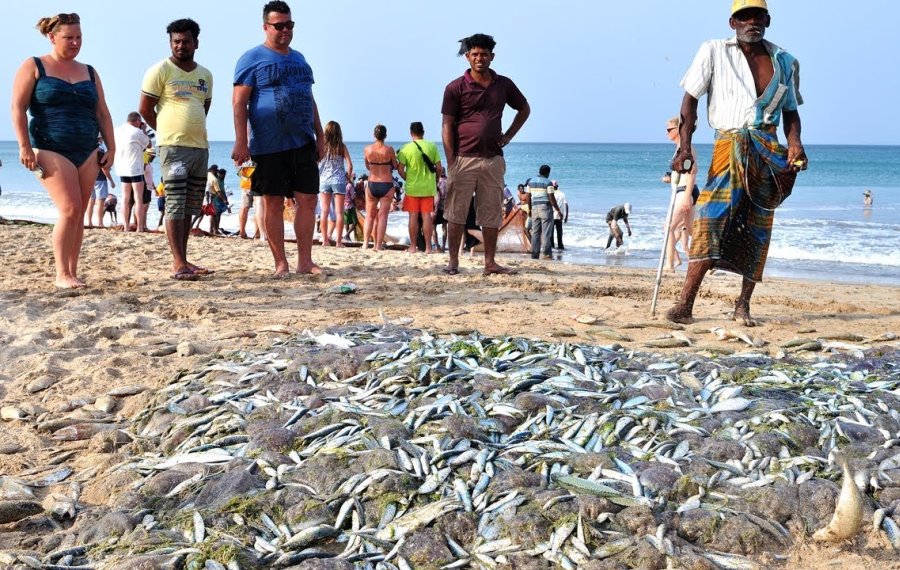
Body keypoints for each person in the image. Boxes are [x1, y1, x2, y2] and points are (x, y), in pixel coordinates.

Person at [666, 0, 807, 326]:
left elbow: (791, 112)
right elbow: (690, 99)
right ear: (733, 22)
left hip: (767, 149)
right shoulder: (714, 50)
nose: (751, 22)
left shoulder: (785, 61)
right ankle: (685, 305)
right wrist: (684, 147)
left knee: (759, 228)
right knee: (708, 221)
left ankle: (742, 305)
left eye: (757, 15)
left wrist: (795, 142)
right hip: (728, 146)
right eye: (744, 16)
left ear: (767, 19)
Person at [11, 13, 115, 288]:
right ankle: (61, 273)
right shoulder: (35, 66)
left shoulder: (89, 71)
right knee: (69, 209)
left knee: (79, 212)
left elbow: (102, 112)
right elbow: (17, 108)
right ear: (52, 37)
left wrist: (111, 147)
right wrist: (24, 146)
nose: (75, 42)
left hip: (87, 148)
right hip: (49, 147)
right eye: (69, 37)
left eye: (79, 37)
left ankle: (72, 270)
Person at [232, 1, 324, 276]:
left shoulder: (300, 59)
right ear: (266, 27)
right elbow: (239, 103)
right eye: (279, 25)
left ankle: (305, 262)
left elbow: (309, 98)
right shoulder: (251, 59)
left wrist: (320, 135)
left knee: (307, 201)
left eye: (289, 25)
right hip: (268, 144)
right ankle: (281, 263)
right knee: (272, 202)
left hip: (303, 141)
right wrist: (240, 141)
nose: (285, 30)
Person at [442, 33, 530, 275]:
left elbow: (524, 108)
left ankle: (490, 263)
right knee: (455, 213)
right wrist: (451, 160)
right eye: (475, 54)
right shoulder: (455, 87)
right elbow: (447, 125)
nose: (479, 58)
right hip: (463, 159)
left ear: (492, 57)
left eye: (484, 54)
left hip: (493, 159)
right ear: (468, 57)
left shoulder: (504, 84)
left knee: (490, 213)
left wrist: (509, 135)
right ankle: (453, 262)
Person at [140, 17, 213, 280]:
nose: (181, 46)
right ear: (170, 42)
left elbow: (203, 108)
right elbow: (145, 109)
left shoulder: (205, 75)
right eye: (176, 41)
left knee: (191, 206)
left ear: (196, 42)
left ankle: (185, 259)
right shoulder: (160, 70)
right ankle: (177, 262)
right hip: (173, 147)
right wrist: (167, 132)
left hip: (199, 147)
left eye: (186, 41)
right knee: (174, 203)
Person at [398, 121, 443, 254]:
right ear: (423, 132)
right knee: (427, 216)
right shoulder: (432, 146)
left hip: (412, 188)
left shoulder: (406, 149)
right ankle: (429, 247)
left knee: (413, 216)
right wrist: (435, 179)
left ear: (411, 133)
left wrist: (408, 178)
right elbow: (439, 167)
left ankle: (413, 247)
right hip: (428, 188)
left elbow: (400, 169)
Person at [664, 116, 700, 271]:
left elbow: (693, 172)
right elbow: (682, 172)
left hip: (685, 192)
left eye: (668, 129)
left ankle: (669, 264)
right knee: (692, 231)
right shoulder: (679, 148)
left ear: (677, 130)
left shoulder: (686, 148)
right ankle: (708, 262)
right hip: (685, 191)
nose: (666, 133)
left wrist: (686, 197)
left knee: (668, 228)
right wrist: (670, 178)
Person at [363, 124, 399, 250]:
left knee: (369, 215)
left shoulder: (367, 149)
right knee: (383, 216)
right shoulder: (389, 149)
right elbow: (395, 165)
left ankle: (366, 243)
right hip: (386, 184)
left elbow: (367, 166)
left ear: (374, 135)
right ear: (385, 136)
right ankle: (378, 245)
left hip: (372, 183)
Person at [318, 120, 353, 247]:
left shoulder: (323, 146)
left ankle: (325, 240)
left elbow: (317, 163)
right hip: (338, 181)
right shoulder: (341, 147)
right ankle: (338, 242)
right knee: (339, 212)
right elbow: (350, 165)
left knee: (324, 211)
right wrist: (347, 178)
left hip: (324, 181)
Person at [114, 112, 151, 232]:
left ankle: (126, 226)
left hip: (121, 167)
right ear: (137, 121)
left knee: (125, 198)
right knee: (138, 198)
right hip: (135, 168)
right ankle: (139, 227)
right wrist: (144, 129)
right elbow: (148, 144)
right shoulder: (137, 132)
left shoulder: (117, 131)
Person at [525, 165, 562, 259]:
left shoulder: (530, 182)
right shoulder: (548, 183)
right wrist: (558, 210)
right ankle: (546, 253)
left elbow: (528, 196)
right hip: (545, 208)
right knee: (546, 232)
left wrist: (529, 209)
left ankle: (535, 253)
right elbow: (551, 198)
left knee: (535, 233)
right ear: (547, 173)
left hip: (534, 208)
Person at [86, 137, 116, 228]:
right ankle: (100, 223)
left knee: (91, 201)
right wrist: (111, 181)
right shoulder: (101, 149)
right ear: (101, 139)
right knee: (100, 201)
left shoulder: (90, 148)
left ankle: (89, 222)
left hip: (90, 177)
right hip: (100, 178)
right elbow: (104, 168)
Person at [140, 147, 156, 231]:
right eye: (152, 156)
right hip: (145, 186)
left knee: (146, 208)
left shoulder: (149, 164)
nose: (153, 157)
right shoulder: (144, 164)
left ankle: (144, 225)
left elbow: (150, 176)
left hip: (149, 187)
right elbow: (141, 174)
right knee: (143, 207)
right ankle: (142, 225)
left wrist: (154, 186)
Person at [432, 173, 448, 251]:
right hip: (446, 207)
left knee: (433, 227)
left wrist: (434, 210)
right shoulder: (448, 180)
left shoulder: (438, 181)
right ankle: (444, 246)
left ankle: (437, 247)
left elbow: (437, 199)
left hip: (438, 208)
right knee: (444, 227)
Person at [551, 181, 569, 250]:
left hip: (552, 215)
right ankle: (560, 246)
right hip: (560, 216)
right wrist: (566, 216)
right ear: (557, 186)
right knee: (559, 232)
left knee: (551, 232)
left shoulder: (551, 194)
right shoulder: (562, 194)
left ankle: (552, 246)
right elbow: (566, 205)